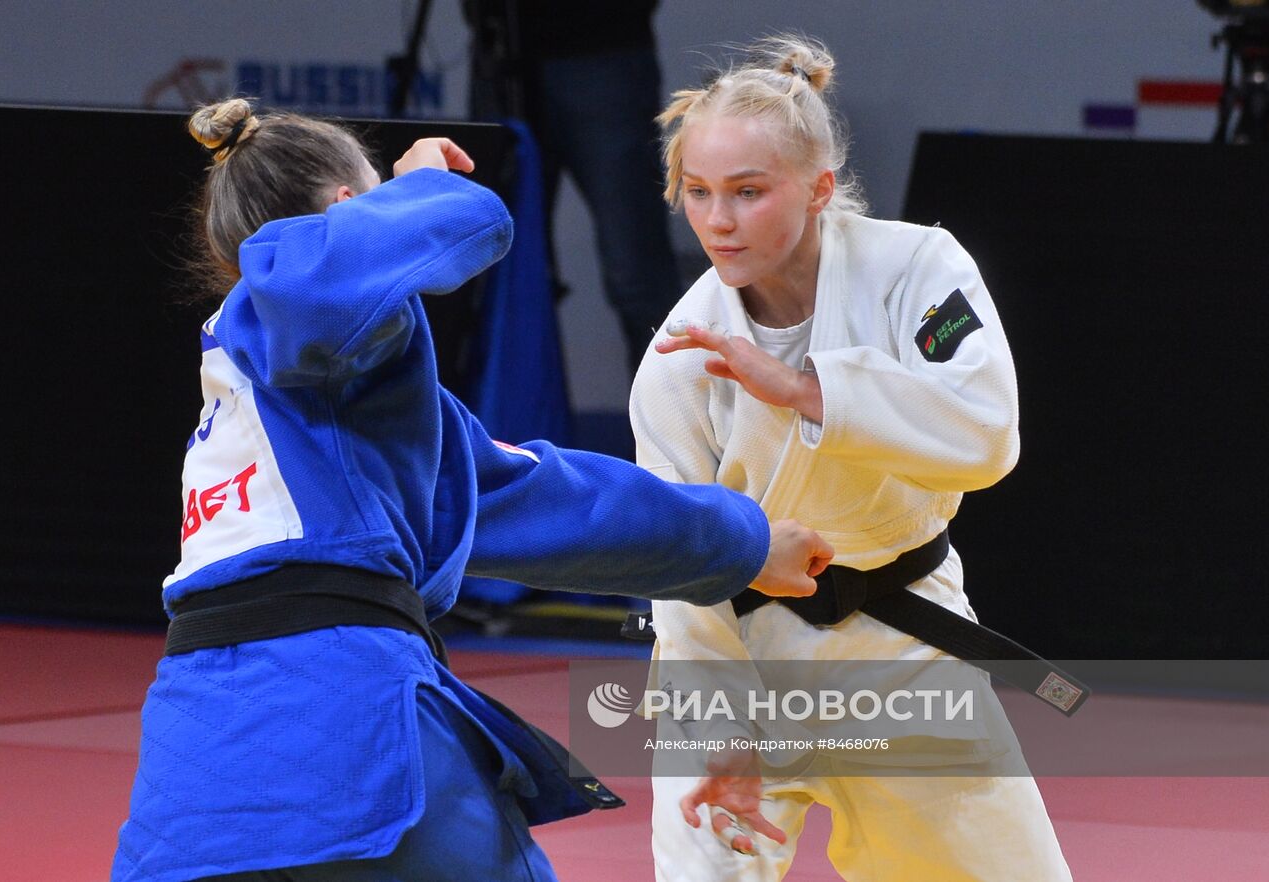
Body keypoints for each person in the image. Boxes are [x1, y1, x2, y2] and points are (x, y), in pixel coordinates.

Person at [109, 97, 834, 882]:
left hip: (190, 769)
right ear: (353, 211)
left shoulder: (319, 418)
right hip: (342, 716)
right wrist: (416, 189)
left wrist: (749, 545)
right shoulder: (285, 306)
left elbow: (558, 502)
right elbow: (331, 269)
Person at [631, 36, 1073, 881]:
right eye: (698, 193)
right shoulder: (681, 359)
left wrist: (809, 389)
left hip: (903, 642)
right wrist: (722, 736)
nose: (719, 220)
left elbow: (987, 435)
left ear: (820, 188)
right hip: (742, 659)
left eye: (749, 192)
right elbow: (679, 555)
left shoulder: (918, 271)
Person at [464, 0, 681, 371]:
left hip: (604, 50)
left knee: (637, 273)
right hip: (501, 53)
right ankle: (507, 423)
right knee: (499, 275)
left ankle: (671, 419)